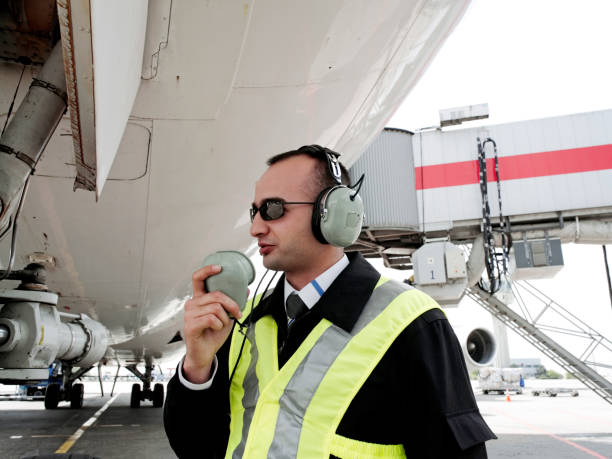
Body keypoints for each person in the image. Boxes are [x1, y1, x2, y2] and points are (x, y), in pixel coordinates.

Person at [164, 145, 496, 458]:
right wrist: (197, 368)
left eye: (272, 209)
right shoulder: (240, 321)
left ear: (335, 214)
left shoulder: (412, 323)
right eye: (254, 211)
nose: (254, 227)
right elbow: (198, 449)